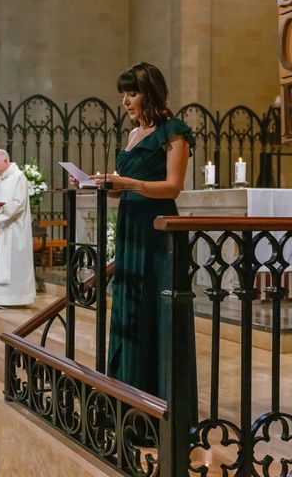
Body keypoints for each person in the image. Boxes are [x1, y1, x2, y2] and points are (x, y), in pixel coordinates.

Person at [87, 62, 198, 424]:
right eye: (123, 93)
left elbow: (172, 186)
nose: (125, 101)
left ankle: (154, 407)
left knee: (152, 310)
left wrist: (127, 182)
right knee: (128, 309)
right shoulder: (134, 135)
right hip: (131, 228)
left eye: (131, 93)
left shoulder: (173, 131)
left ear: (149, 92)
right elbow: (129, 191)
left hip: (157, 233)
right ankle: (123, 397)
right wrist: (104, 184)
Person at [0, 149, 36, 307]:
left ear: (6, 161)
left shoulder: (19, 177)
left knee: (13, 265)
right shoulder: (1, 178)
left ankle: (15, 298)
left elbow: (18, 204)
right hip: (1, 229)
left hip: (14, 230)